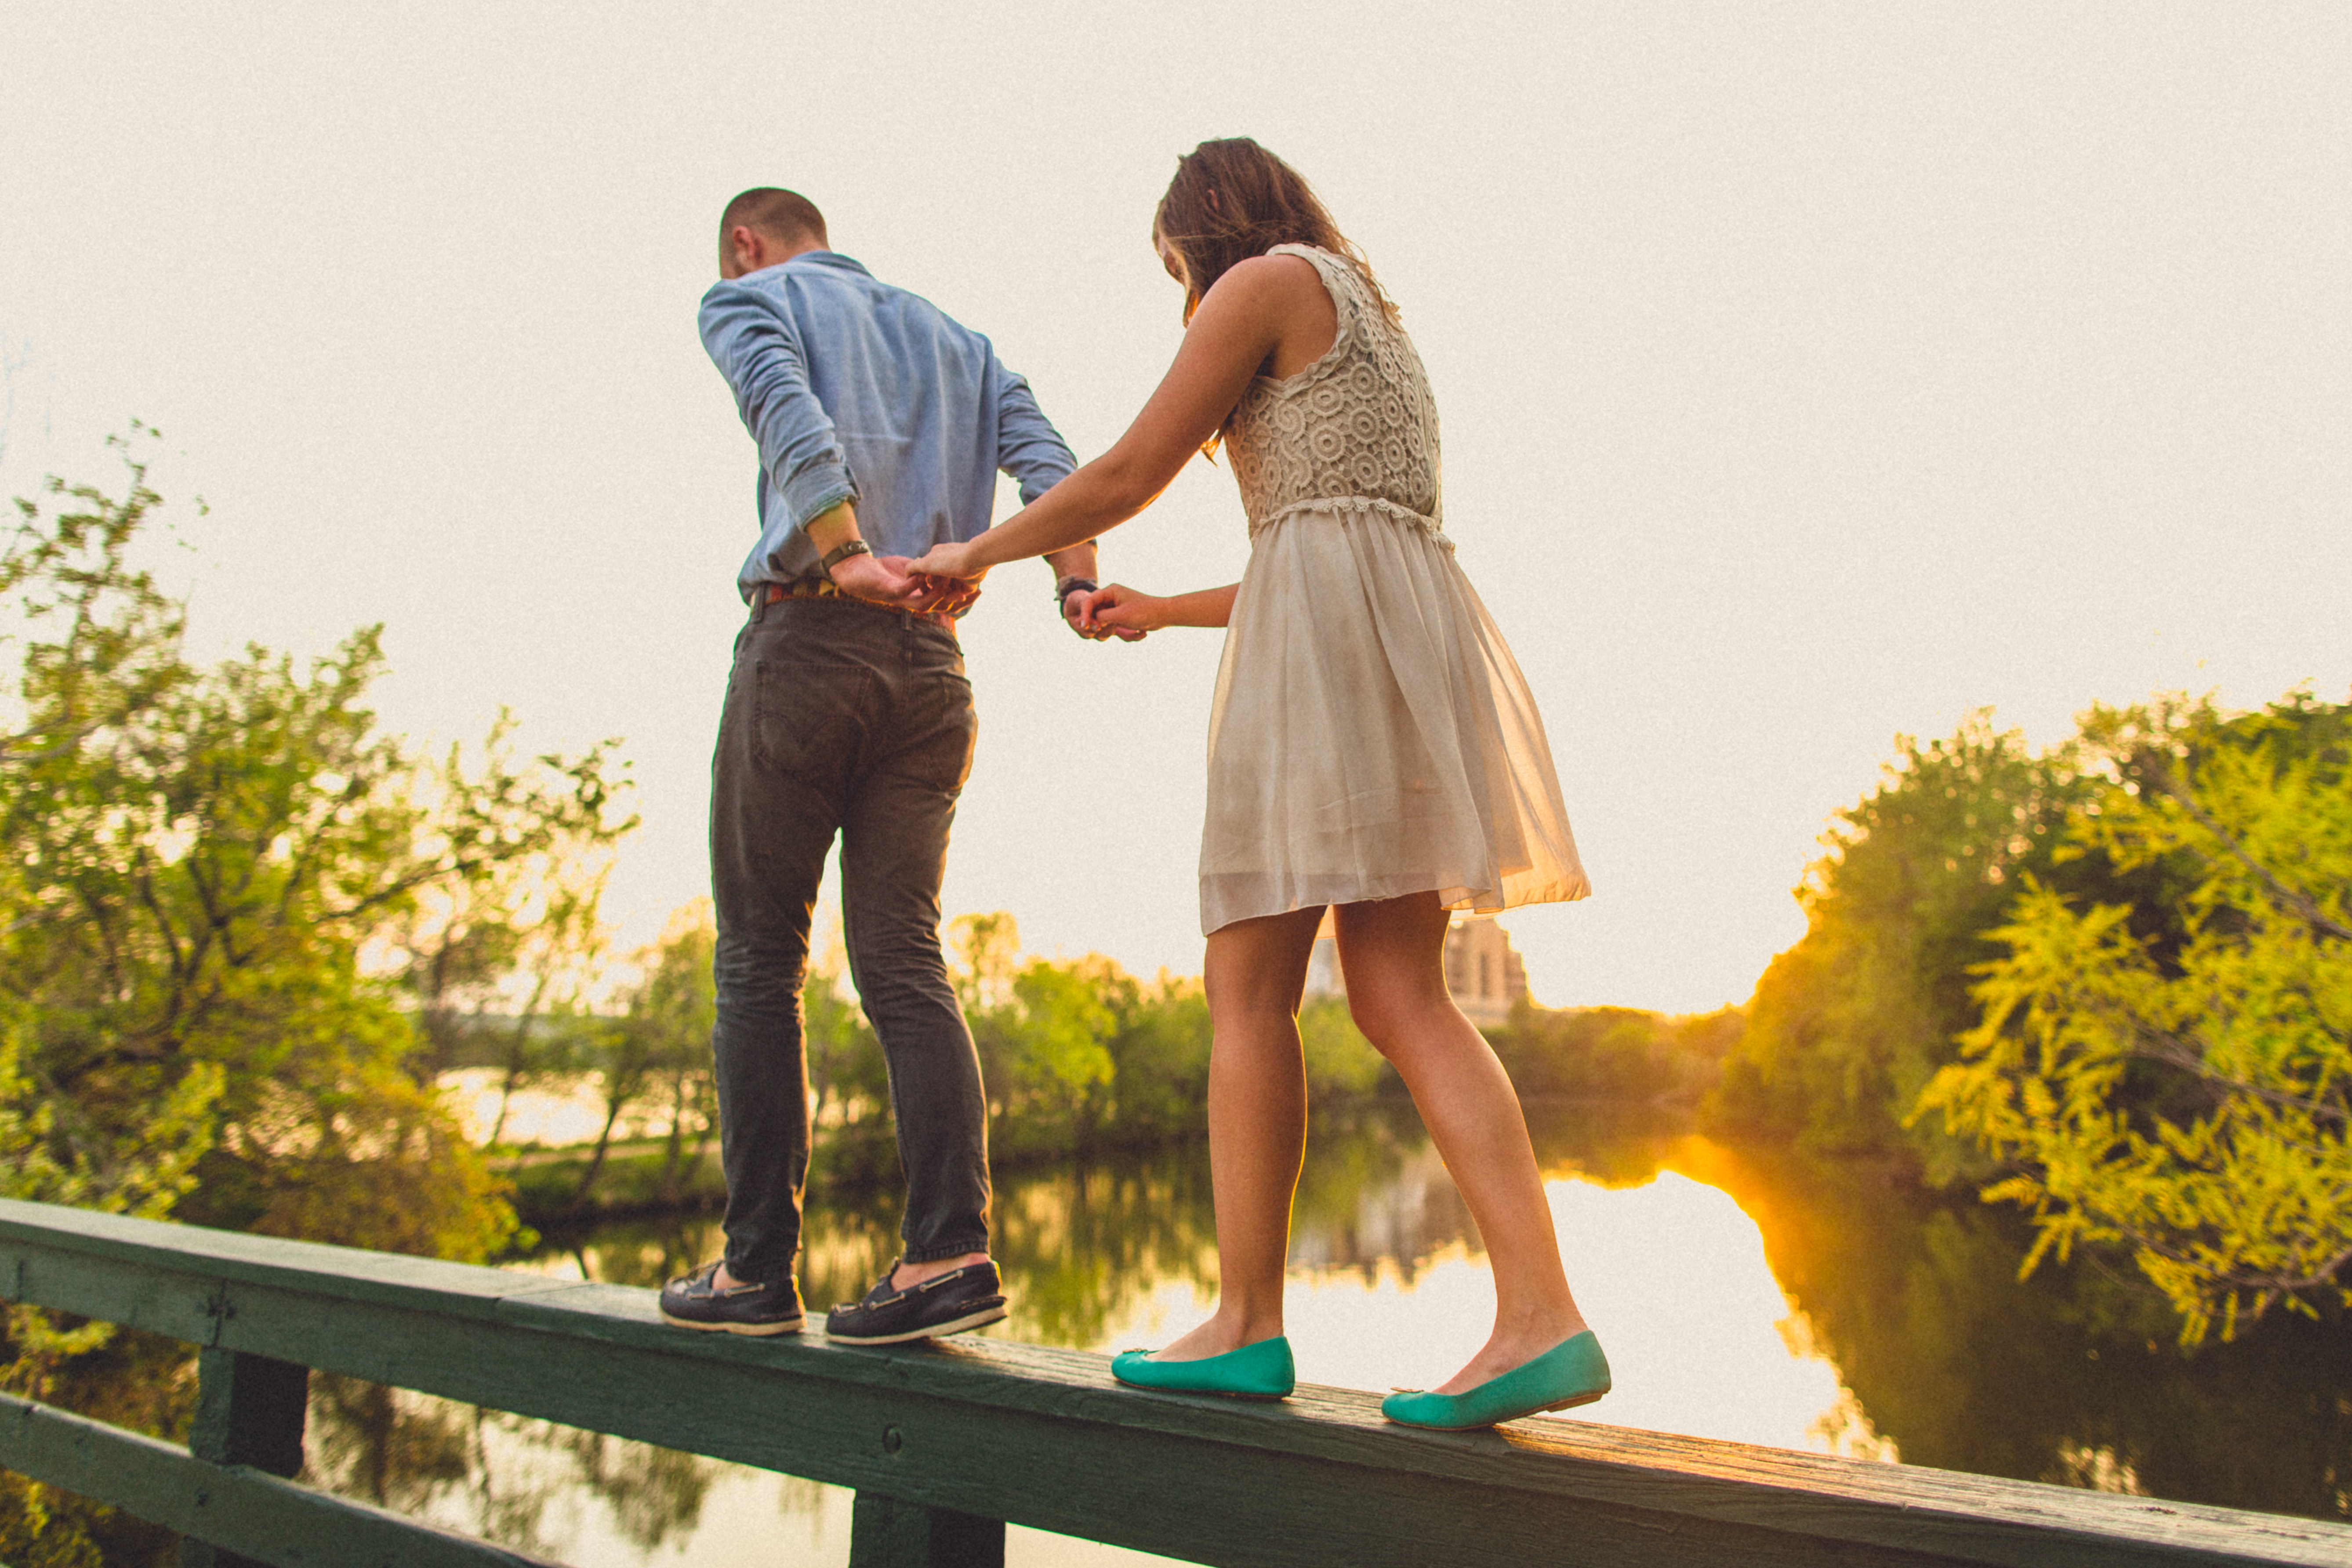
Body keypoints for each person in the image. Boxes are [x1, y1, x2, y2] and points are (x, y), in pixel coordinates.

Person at [909, 140, 1609, 1428]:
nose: (1179, 289)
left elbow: (1121, 475)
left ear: (1199, 232)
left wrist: (976, 550)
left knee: (1248, 989)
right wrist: (1163, 608)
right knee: (1403, 992)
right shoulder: (1376, 315)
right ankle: (1540, 1315)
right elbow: (1330, 545)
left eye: (1173, 264)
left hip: (1326, 667)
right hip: (1403, 641)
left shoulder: (1258, 285)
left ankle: (1246, 1323)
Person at [661, 187, 1127, 1343]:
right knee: (906, 963)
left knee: (761, 967)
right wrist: (1074, 580)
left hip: (812, 642)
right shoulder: (959, 341)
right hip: (934, 674)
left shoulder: (748, 297)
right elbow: (1055, 467)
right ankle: (947, 1256)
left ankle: (757, 1275)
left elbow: (785, 415)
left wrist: (848, 553)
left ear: (745, 241)